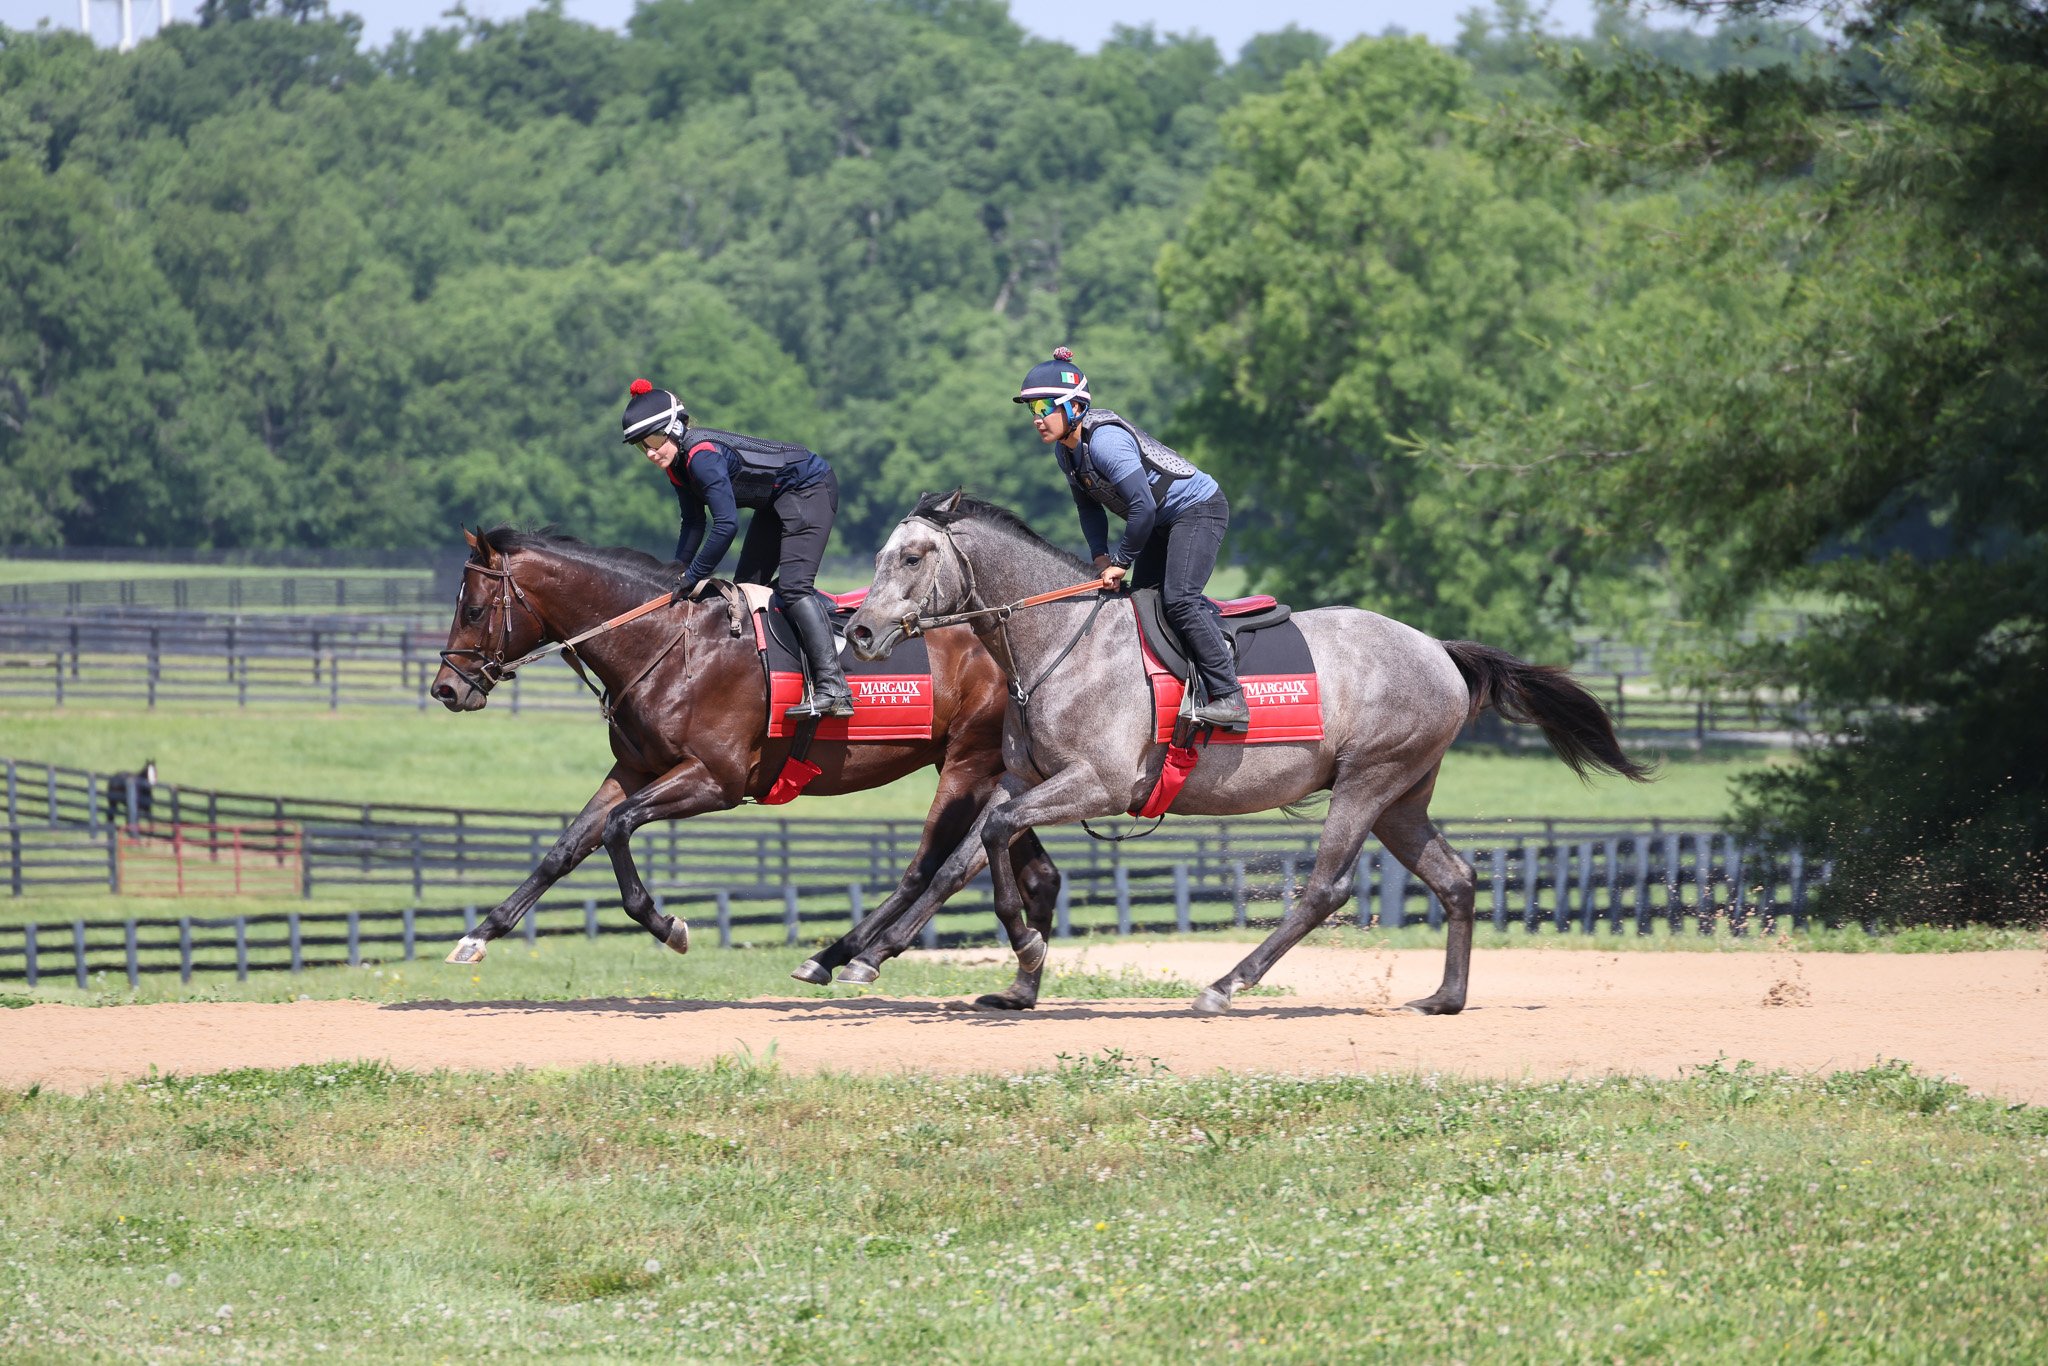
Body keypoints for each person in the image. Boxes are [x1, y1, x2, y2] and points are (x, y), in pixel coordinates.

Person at [1014, 348, 1249, 731]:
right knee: (1142, 605)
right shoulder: (1066, 452)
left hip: (1198, 510)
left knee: (1180, 601)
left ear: (1074, 407)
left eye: (1044, 407)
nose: (1037, 418)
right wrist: (1101, 557)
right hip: (1157, 521)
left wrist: (1122, 562)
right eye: (1031, 409)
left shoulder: (1105, 443)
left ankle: (1229, 696)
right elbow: (1089, 509)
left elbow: (1142, 508)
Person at [620, 379, 853, 718]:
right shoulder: (677, 468)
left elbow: (726, 525)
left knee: (793, 587)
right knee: (745, 593)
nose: (652, 453)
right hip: (775, 501)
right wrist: (674, 573)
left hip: (809, 489)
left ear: (674, 428)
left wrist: (693, 576)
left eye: (654, 441)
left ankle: (835, 687)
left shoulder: (701, 458)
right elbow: (693, 523)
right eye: (643, 447)